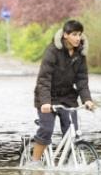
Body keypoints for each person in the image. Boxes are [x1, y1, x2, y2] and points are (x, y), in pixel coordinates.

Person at [30, 19, 95, 164]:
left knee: (73, 133)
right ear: (65, 35)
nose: (78, 38)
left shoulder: (80, 54)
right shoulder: (52, 51)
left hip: (68, 97)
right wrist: (45, 103)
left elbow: (82, 80)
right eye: (74, 34)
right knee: (46, 130)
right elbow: (44, 80)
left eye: (80, 35)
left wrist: (87, 100)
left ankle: (69, 163)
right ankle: (34, 162)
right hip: (48, 97)